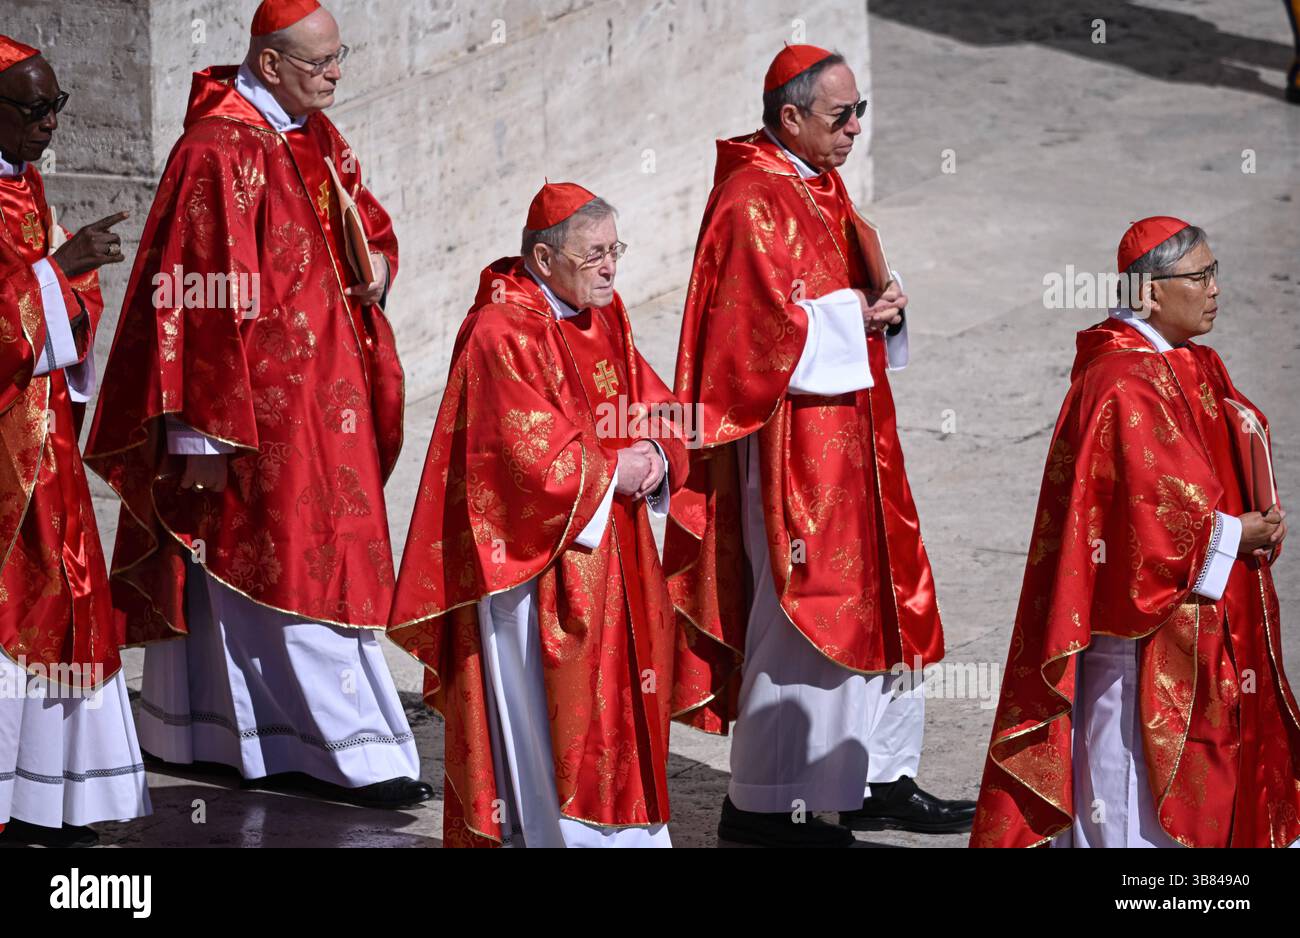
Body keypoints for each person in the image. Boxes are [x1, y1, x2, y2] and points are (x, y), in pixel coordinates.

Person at [83, 0, 428, 809]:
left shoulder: (309, 131)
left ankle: (206, 733)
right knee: (288, 555)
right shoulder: (216, 150)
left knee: (291, 554)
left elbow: (363, 218)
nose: (337, 75)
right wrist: (200, 428)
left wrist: (375, 261)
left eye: (343, 58)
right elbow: (195, 299)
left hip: (320, 397)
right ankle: (351, 749)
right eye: (322, 63)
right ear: (270, 65)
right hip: (252, 410)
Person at [665, 44, 973, 847]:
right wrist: (849, 320)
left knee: (887, 595)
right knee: (807, 614)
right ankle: (767, 803)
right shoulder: (747, 200)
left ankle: (873, 774)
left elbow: (841, 289)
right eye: (842, 116)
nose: (856, 129)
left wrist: (888, 304)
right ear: (791, 117)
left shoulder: (818, 183)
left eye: (860, 110)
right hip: (794, 447)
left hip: (858, 433)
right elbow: (743, 337)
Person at [971, 217, 1299, 848]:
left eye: (1214, 272)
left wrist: (1256, 497)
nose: (1215, 289)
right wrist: (1235, 534)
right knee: (1128, 787)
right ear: (1149, 293)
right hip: (1141, 631)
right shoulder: (1119, 381)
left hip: (1202, 610)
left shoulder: (1194, 361)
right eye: (1199, 276)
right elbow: (1141, 521)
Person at [388, 182, 688, 847]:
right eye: (595, 255)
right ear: (545, 261)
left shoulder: (603, 312)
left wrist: (659, 455)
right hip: (538, 569)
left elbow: (654, 401)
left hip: (618, 554)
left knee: (623, 717)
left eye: (616, 250)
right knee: (556, 730)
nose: (611, 268)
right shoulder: (501, 330)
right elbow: (520, 460)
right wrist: (615, 472)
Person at [0, 35, 150, 847]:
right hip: (4, 452)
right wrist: (60, 273)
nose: (49, 126)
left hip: (42, 435)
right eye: (34, 110)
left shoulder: (25, 184)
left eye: (56, 107)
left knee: (65, 591)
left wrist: (69, 275)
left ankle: (53, 794)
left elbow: (47, 300)